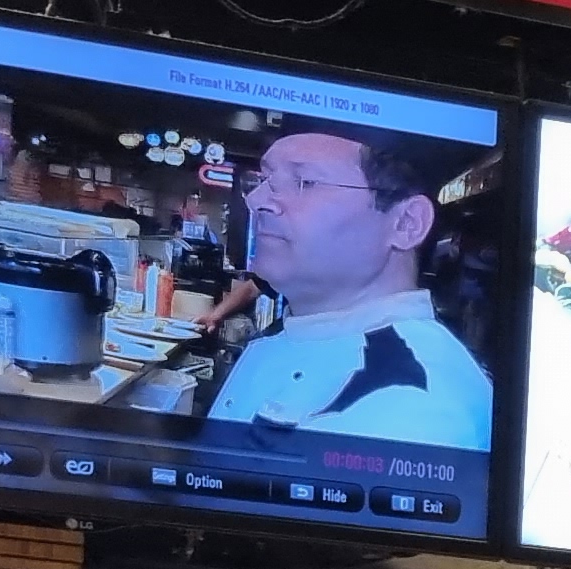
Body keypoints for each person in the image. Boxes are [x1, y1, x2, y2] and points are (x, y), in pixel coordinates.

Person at [203, 127, 491, 450]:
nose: (256, 201)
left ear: (406, 223)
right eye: (265, 179)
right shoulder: (296, 331)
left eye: (304, 182)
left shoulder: (411, 408)